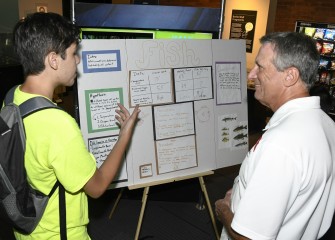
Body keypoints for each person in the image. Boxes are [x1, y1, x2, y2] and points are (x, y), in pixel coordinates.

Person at [11, 12, 140, 239]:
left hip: (26, 230)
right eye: (73, 54)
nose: (77, 60)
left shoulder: (12, 97)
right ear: (53, 60)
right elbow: (97, 186)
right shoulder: (58, 124)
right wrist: (124, 136)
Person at [215, 32, 335, 240]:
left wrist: (224, 209)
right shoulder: (326, 123)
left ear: (290, 76)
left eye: (260, 67)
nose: (252, 75)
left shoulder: (281, 145)